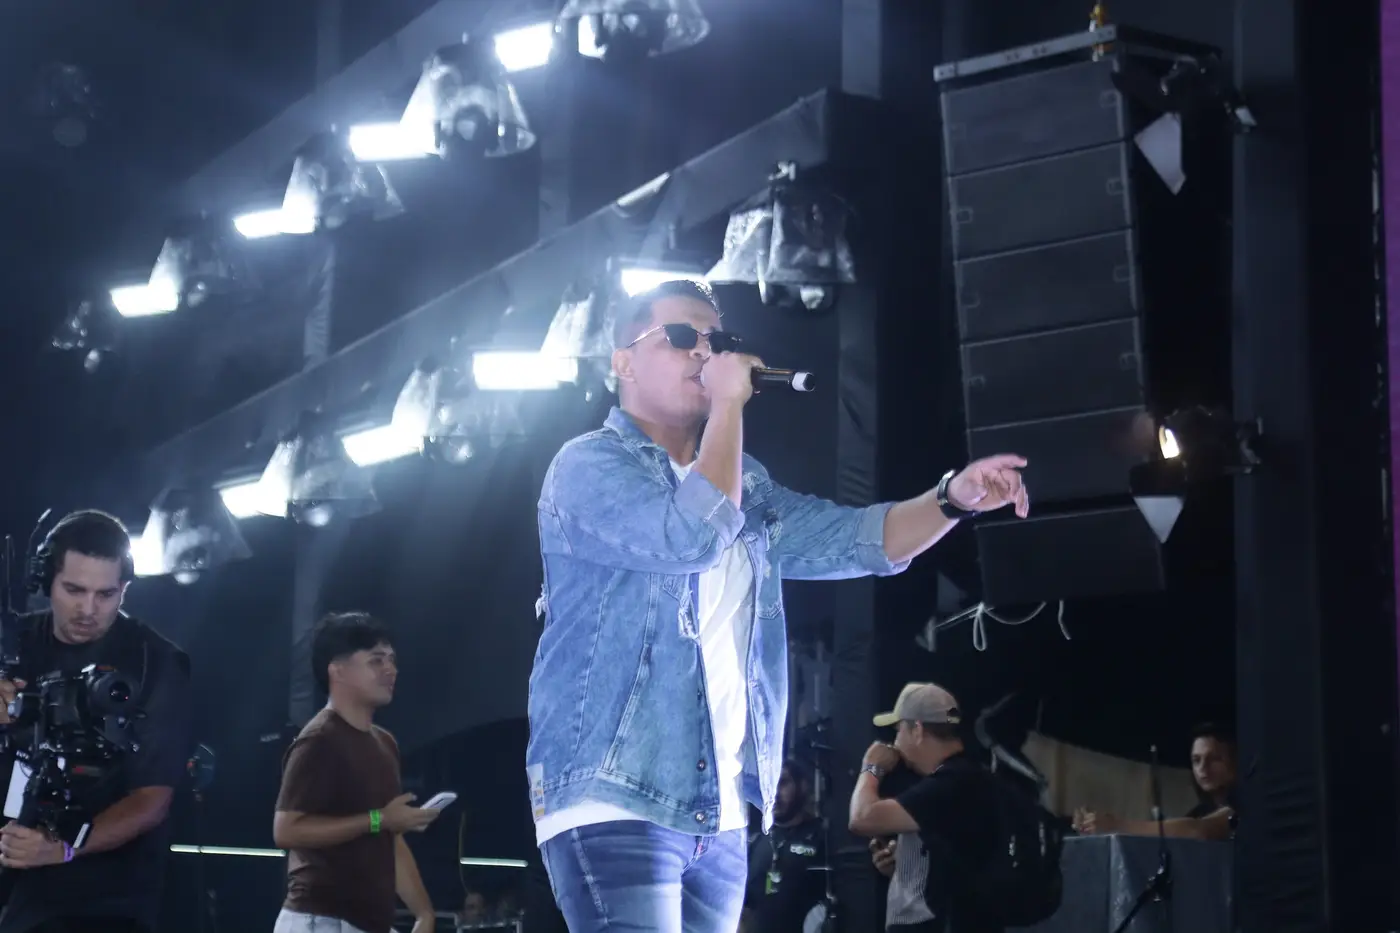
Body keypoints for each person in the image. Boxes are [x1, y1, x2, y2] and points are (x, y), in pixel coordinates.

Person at [528, 280, 1030, 932]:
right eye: (681, 337)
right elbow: (692, 536)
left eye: (717, 340)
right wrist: (728, 405)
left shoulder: (747, 485)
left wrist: (951, 499)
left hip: (719, 809)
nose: (705, 352)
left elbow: (855, 539)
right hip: (615, 792)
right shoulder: (587, 466)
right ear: (623, 362)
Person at [0, 509, 193, 933]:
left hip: (107, 899)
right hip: (13, 879)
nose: (88, 609)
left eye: (106, 594)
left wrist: (64, 848)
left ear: (125, 589)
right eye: (74, 590)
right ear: (46, 581)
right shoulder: (12, 644)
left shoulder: (157, 663)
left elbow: (152, 799)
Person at [272, 612, 440, 933]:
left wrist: (424, 913)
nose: (390, 669)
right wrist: (379, 820)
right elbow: (286, 830)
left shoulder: (385, 743)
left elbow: (390, 838)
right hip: (320, 920)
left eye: (392, 660)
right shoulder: (319, 739)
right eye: (376, 660)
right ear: (337, 670)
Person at [848, 682, 1006, 933]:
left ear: (917, 730)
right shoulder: (962, 778)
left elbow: (861, 818)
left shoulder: (954, 782)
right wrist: (901, 867)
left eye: (899, 730)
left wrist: (871, 768)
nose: (895, 742)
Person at [1072, 722, 1237, 841]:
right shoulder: (1200, 811)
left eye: (1214, 759)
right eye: (1196, 760)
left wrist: (1116, 825)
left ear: (1235, 761)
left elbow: (1198, 830)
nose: (1203, 768)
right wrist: (1092, 829)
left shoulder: (1244, 806)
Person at [743, 759, 826, 932]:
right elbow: (745, 907)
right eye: (769, 784)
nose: (774, 792)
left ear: (802, 786)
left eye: (782, 782)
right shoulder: (755, 841)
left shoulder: (822, 837)